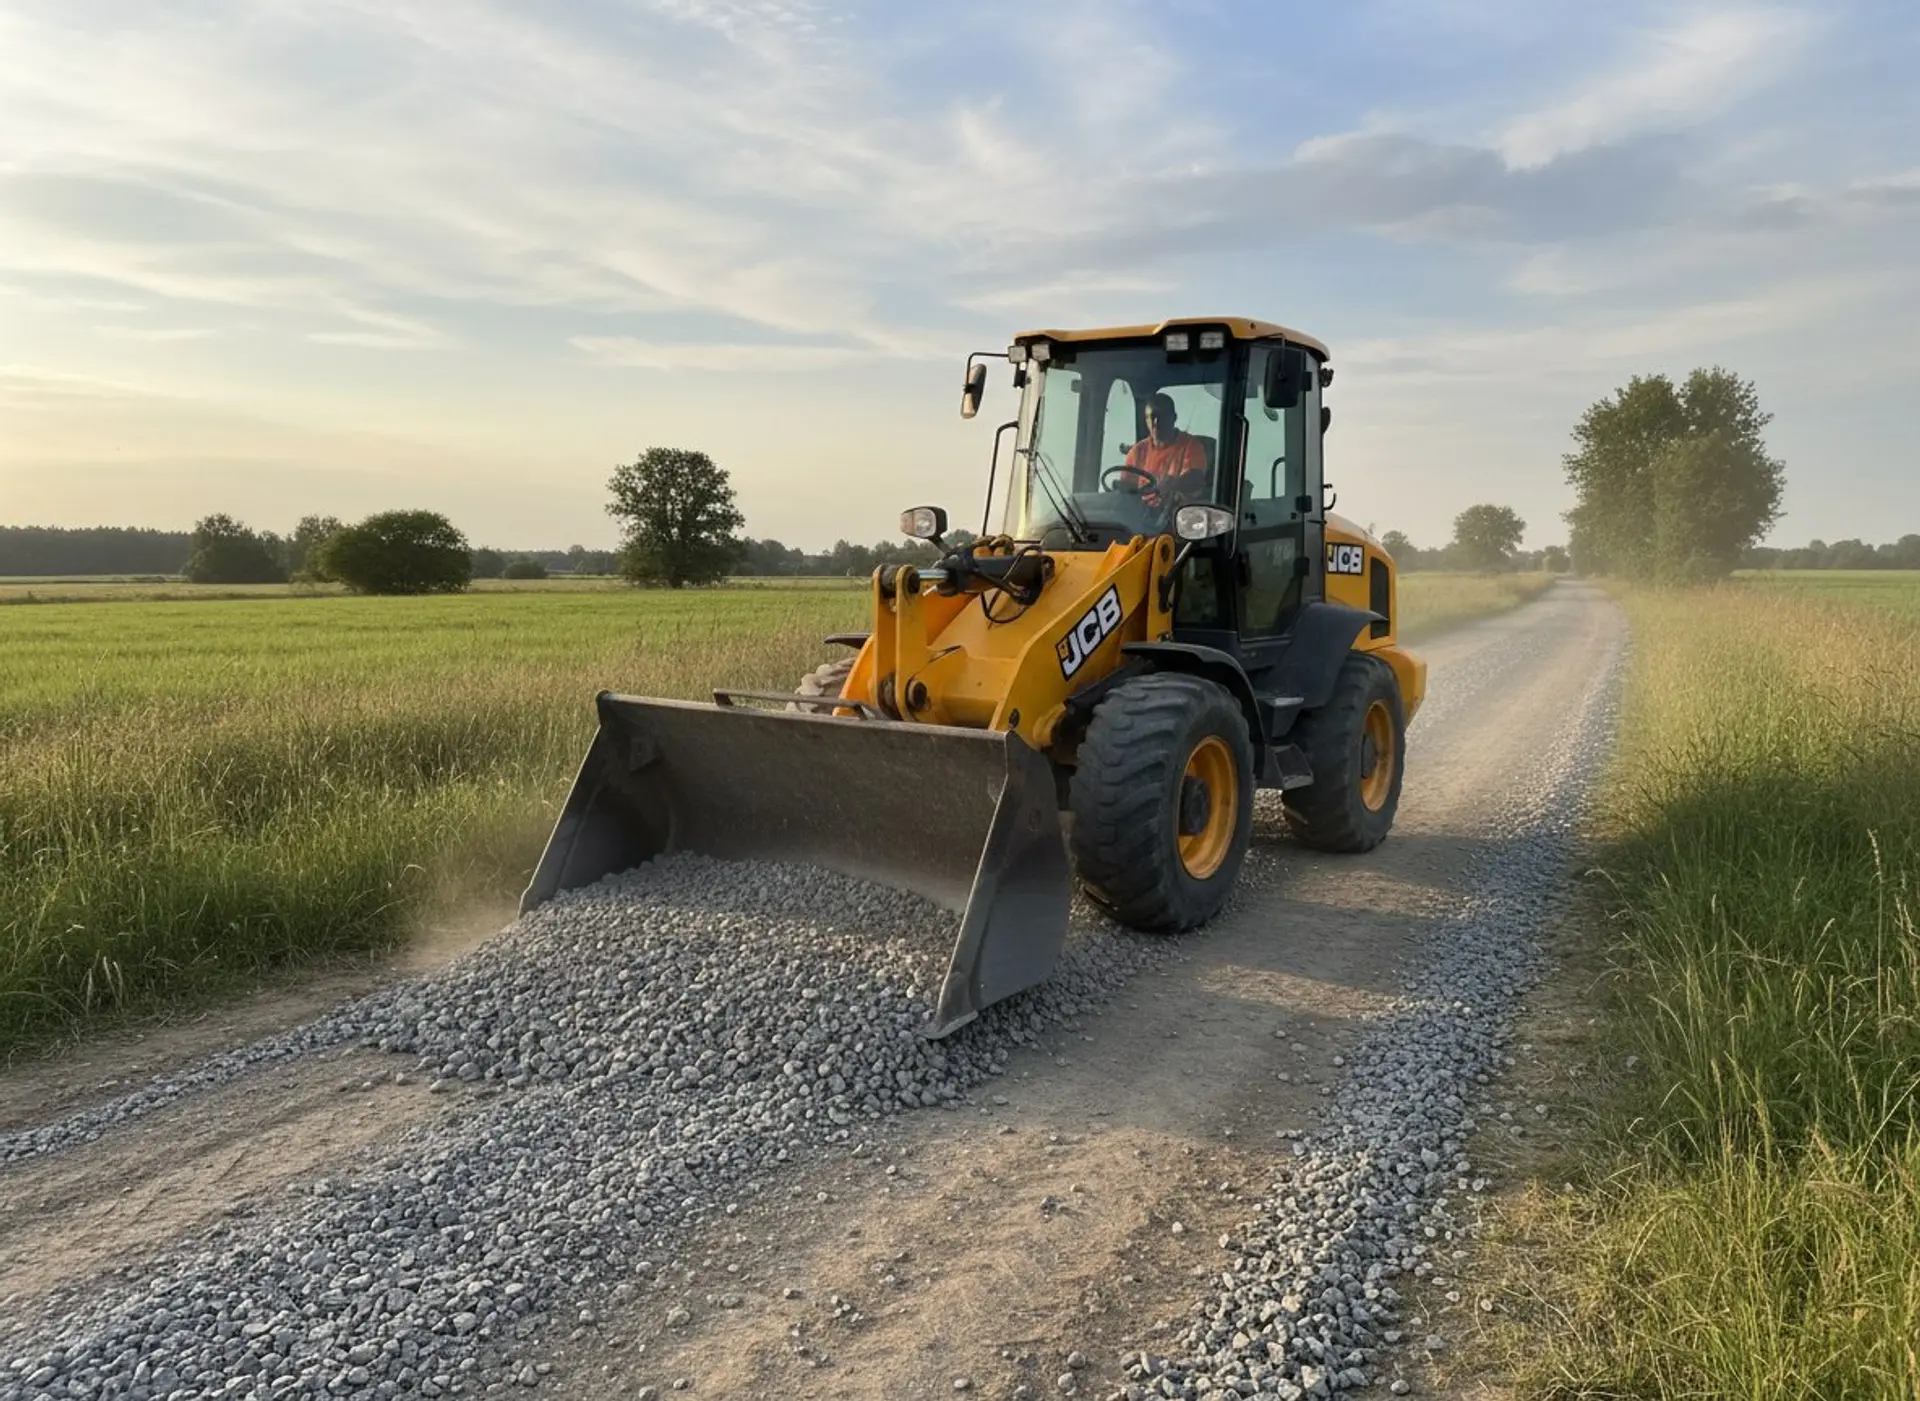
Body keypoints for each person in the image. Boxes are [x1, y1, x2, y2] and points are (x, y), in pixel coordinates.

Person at [1124, 393, 1210, 508]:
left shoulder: (1191, 446)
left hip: (1175, 515)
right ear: (1146, 420)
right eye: (1151, 417)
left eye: (1161, 417)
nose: (1156, 423)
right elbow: (1125, 489)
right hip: (1139, 516)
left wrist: (1172, 484)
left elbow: (1194, 478)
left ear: (1174, 418)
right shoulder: (1137, 452)